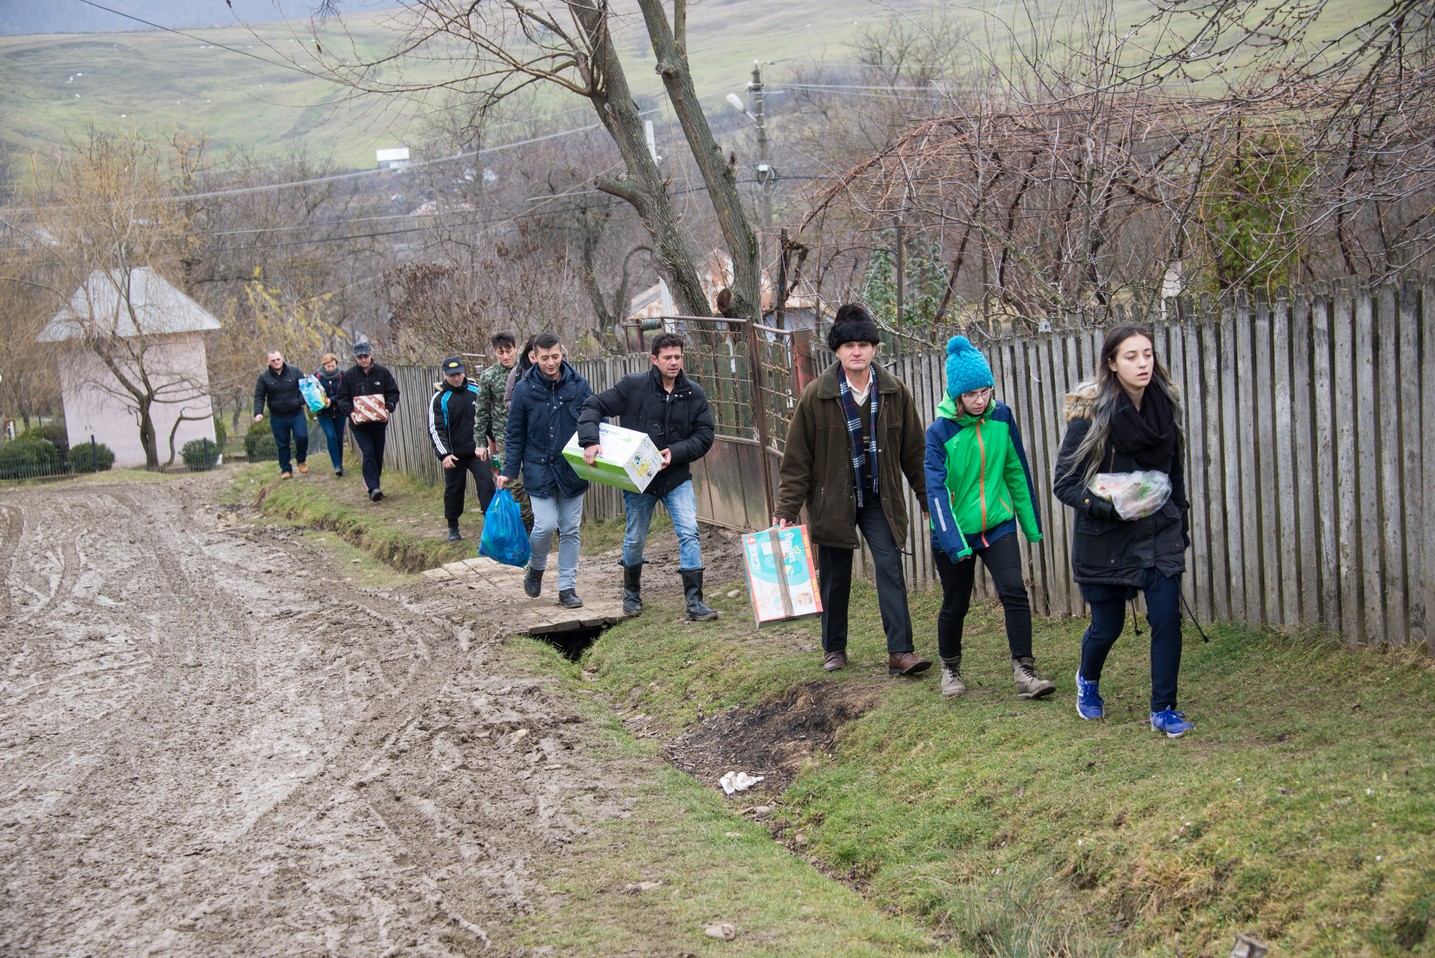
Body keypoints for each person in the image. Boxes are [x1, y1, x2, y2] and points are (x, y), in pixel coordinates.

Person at [773, 304, 930, 676]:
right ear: (837, 351)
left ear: (874, 348)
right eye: (848, 345)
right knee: (835, 575)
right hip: (833, 500)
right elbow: (798, 459)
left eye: (863, 343)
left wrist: (927, 496)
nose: (856, 351)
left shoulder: (895, 392)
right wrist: (787, 508)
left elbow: (915, 451)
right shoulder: (817, 395)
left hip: (879, 497)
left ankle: (900, 652)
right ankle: (834, 648)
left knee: (890, 565)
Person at [1053, 325, 1194, 737]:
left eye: (1147, 354)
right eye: (1131, 356)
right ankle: (1088, 682)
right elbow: (1065, 483)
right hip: (1107, 538)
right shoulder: (1091, 414)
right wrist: (1110, 507)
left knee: (1167, 617)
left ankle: (1163, 709)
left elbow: (1175, 474)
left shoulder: (1166, 408)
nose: (1142, 363)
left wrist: (1180, 522)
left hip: (1158, 531)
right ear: (1112, 364)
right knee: (1107, 627)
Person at [925, 336, 1053, 701]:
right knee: (957, 601)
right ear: (956, 396)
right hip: (955, 532)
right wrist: (952, 541)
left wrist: (1029, 523)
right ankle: (950, 668)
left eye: (985, 391)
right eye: (971, 395)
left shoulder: (1002, 416)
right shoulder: (939, 433)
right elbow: (934, 492)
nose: (980, 400)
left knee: (1014, 589)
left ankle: (1025, 672)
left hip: (997, 522)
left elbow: (1016, 468)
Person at [578, 332, 718, 620]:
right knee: (635, 538)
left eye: (678, 356)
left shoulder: (693, 393)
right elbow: (594, 405)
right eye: (667, 357)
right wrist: (590, 440)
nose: (674, 362)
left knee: (689, 532)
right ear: (654, 359)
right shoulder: (634, 387)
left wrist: (675, 452)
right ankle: (631, 594)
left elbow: (705, 435)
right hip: (639, 480)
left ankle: (695, 602)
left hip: (676, 477)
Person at [497, 332, 592, 609]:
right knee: (546, 525)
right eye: (545, 358)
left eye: (555, 357)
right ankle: (536, 568)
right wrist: (509, 471)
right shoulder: (524, 390)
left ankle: (566, 588)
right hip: (538, 469)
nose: (551, 363)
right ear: (533, 357)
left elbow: (594, 418)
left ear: (562, 354)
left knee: (571, 529)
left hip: (572, 469)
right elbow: (514, 435)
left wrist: (593, 443)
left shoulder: (579, 385)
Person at [427, 355, 490, 541]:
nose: (456, 378)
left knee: (487, 484)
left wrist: (492, 443)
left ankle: (489, 523)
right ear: (444, 375)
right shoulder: (439, 399)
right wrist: (444, 454)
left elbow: (488, 418)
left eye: (459, 374)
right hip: (453, 454)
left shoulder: (475, 391)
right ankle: (453, 525)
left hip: (477, 450)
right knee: (454, 490)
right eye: (452, 375)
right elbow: (435, 429)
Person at [475, 331, 530, 529]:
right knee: (514, 481)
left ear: (516, 349)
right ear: (495, 353)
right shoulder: (489, 376)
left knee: (533, 477)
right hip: (504, 435)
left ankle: (543, 524)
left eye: (509, 351)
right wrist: (480, 443)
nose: (506, 356)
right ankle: (526, 524)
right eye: (501, 352)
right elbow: (481, 411)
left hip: (530, 433)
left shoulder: (526, 371)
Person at [336, 338, 401, 502]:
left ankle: (374, 483)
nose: (363, 360)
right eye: (360, 357)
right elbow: (342, 398)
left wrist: (388, 408)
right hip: (359, 425)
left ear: (371, 354)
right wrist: (350, 413)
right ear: (355, 358)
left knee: (378, 454)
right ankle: (373, 488)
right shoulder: (350, 376)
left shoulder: (382, 373)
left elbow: (393, 392)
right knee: (368, 452)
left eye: (365, 356)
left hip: (379, 423)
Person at [252, 349, 309, 479]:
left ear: (282, 359)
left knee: (302, 437)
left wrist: (300, 402)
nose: (276, 362)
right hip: (277, 416)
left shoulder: (295, 371)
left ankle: (301, 460)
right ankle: (286, 469)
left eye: (278, 359)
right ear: (268, 362)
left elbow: (306, 388)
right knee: (282, 444)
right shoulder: (264, 377)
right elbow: (259, 396)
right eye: (273, 360)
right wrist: (258, 413)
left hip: (296, 413)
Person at [313, 352, 347, 477]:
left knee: (339, 438)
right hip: (324, 413)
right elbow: (311, 392)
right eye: (329, 367)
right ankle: (337, 466)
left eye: (333, 366)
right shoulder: (316, 376)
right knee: (331, 436)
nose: (331, 369)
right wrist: (320, 402)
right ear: (324, 366)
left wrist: (331, 400)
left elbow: (343, 392)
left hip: (339, 411)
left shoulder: (343, 375)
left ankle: (340, 465)